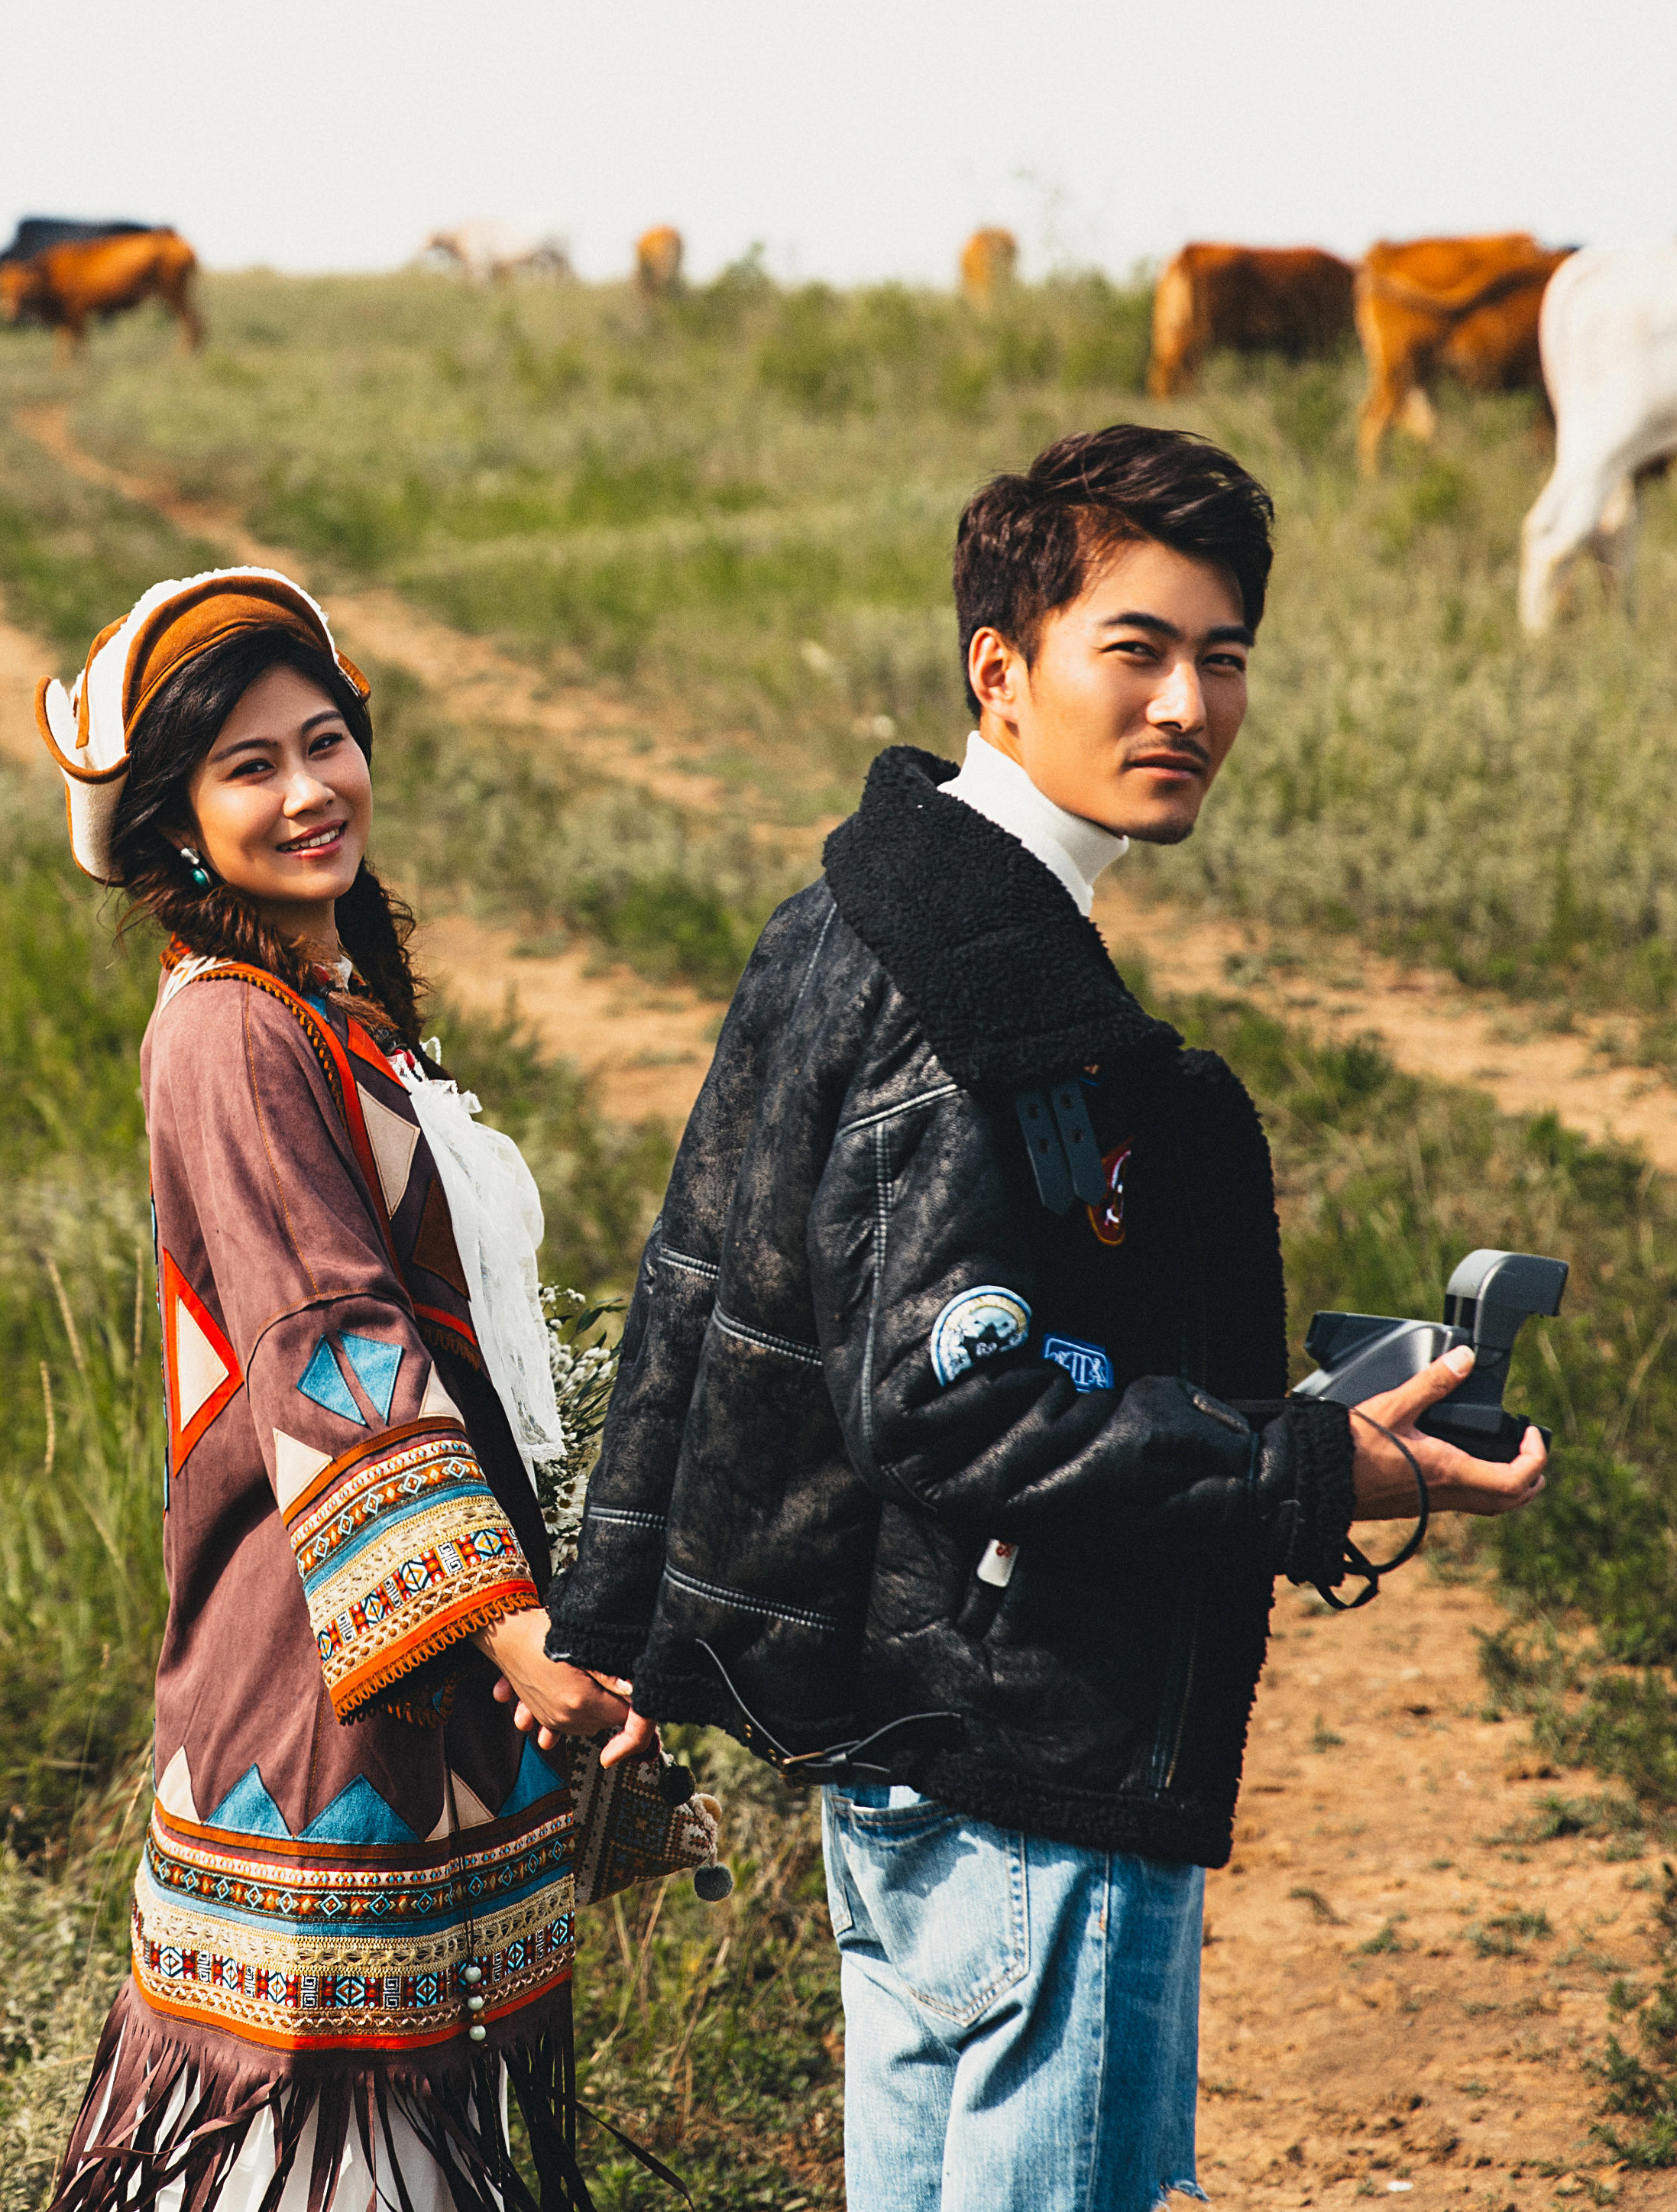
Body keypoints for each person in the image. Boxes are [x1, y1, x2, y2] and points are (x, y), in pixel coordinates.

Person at [544, 426, 1550, 2212]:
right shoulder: (979, 997)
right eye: (1137, 650)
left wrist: (619, 1610)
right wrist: (1321, 1465)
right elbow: (949, 1404)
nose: (1187, 704)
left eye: (1224, 656)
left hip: (911, 1739)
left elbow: (700, 1277)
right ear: (997, 671)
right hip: (1026, 1750)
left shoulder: (859, 905)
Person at [37, 568, 653, 2212]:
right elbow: (334, 1341)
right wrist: (511, 1625)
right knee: (323, 2159)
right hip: (324, 1687)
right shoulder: (232, 1034)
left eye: (327, 742)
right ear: (171, 819)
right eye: (249, 767)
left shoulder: (334, 1015)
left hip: (421, 1659)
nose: (310, 791)